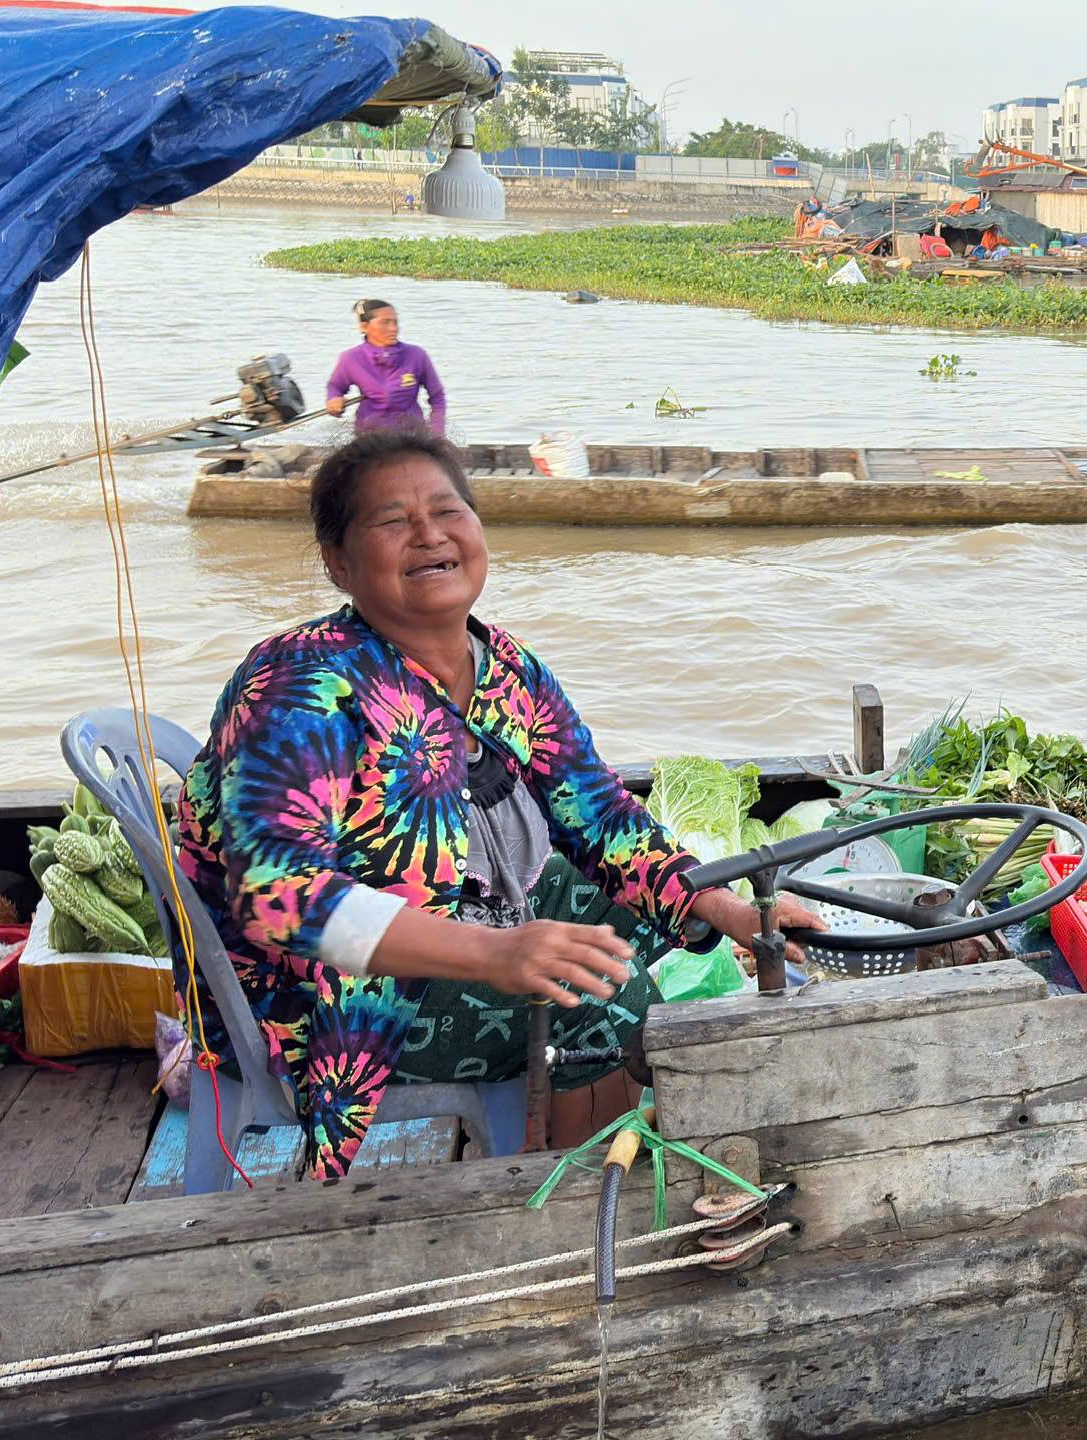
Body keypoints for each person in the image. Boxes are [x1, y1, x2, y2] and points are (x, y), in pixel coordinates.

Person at [176, 427, 819, 1181]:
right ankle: (564, 1198)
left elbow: (601, 814)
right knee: (605, 997)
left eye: (449, 511)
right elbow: (278, 899)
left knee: (619, 920)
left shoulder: (507, 666)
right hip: (314, 1003)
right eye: (392, 521)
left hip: (459, 921)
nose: (429, 535)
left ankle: (569, 1138)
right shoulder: (298, 686)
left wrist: (730, 910)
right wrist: (497, 951)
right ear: (339, 563)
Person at [324, 299, 447, 435]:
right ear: (365, 327)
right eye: (385, 322)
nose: (393, 328)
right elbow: (335, 386)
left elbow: (437, 397)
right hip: (370, 436)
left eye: (395, 322)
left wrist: (437, 434)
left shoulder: (416, 355)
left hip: (412, 436)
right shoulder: (351, 358)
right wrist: (334, 399)